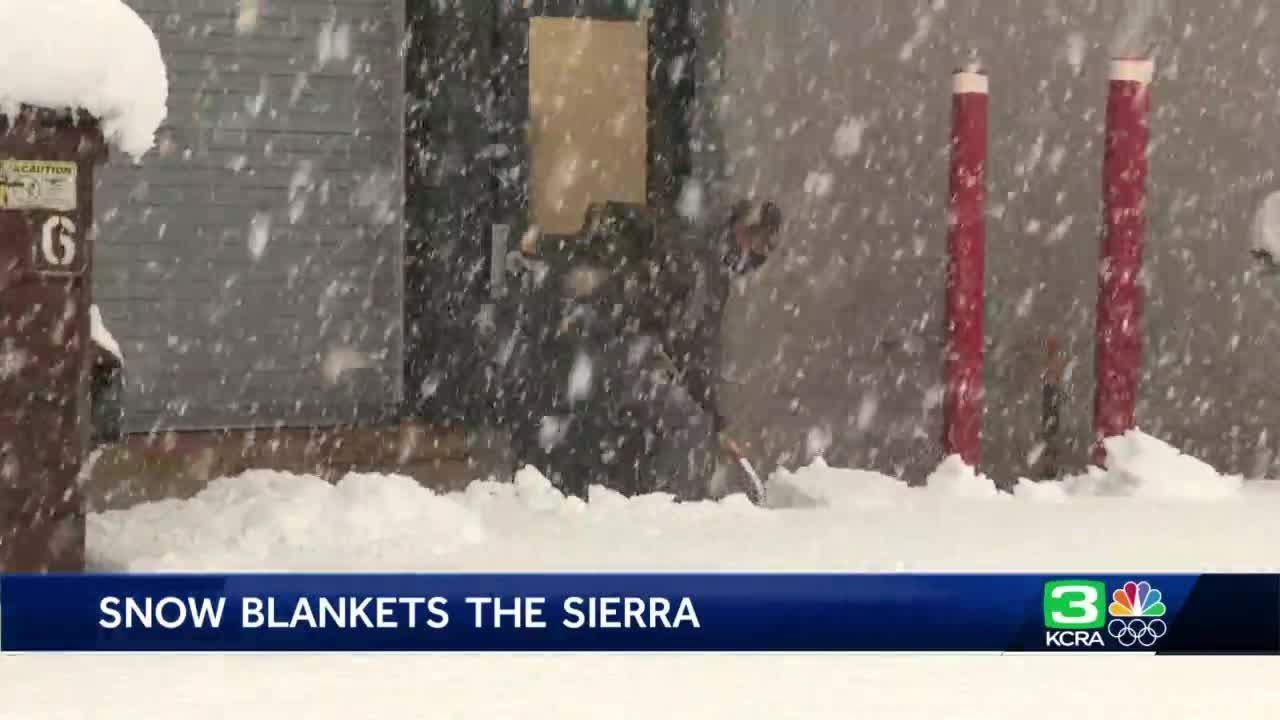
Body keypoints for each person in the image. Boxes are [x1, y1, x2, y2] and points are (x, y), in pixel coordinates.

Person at [510, 199, 783, 500]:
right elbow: (693, 350)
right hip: (611, 341)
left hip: (589, 333)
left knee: (617, 424)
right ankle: (665, 509)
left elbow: (686, 344)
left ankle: (603, 496)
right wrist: (716, 421)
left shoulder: (691, 237)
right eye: (754, 243)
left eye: (760, 249)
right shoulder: (706, 266)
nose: (751, 254)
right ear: (741, 232)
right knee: (683, 424)